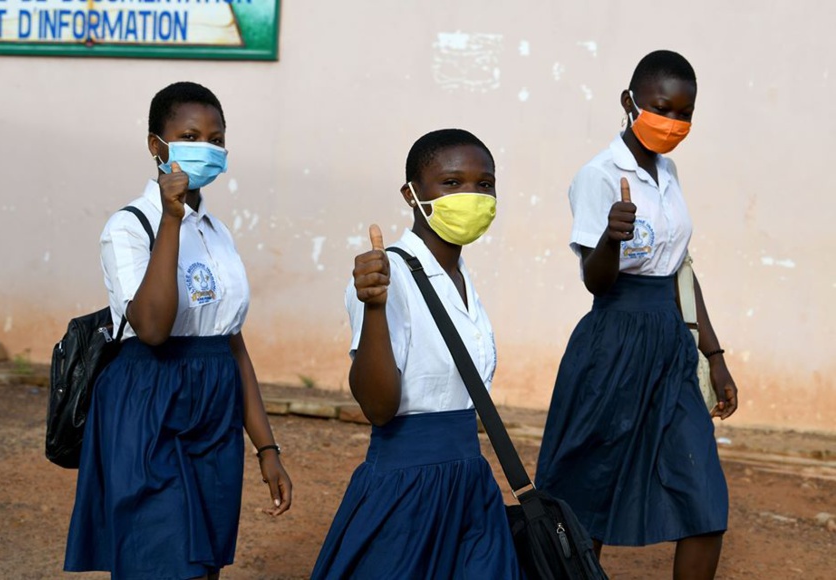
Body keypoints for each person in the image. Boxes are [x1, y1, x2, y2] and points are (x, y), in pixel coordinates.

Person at [64, 81, 292, 580]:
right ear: (157, 145)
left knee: (205, 563)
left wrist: (267, 448)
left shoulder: (217, 231)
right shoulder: (129, 226)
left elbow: (232, 343)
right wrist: (170, 221)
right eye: (190, 136)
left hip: (214, 411)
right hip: (150, 403)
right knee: (159, 558)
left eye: (216, 139)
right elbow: (151, 328)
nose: (205, 148)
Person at [534, 50, 739, 579]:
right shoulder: (598, 175)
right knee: (587, 493)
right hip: (613, 342)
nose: (672, 122)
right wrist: (610, 236)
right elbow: (596, 281)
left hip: (670, 345)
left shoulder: (668, 173)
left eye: (684, 113)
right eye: (661, 108)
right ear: (629, 102)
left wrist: (714, 354)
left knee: (705, 500)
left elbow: (680, 271)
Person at [311, 129, 520, 579]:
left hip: (470, 483)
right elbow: (378, 407)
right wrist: (374, 308)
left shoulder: (461, 277)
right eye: (452, 182)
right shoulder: (387, 276)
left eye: (484, 184)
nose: (471, 195)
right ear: (411, 193)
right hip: (407, 487)